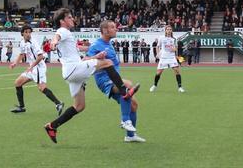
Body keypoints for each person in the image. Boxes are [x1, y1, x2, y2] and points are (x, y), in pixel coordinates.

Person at [44, 8, 140, 143]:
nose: (72, 19)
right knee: (107, 62)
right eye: (70, 17)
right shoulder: (62, 31)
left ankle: (52, 126)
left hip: (72, 73)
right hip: (74, 69)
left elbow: (79, 51)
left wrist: (96, 56)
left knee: (79, 106)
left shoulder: (68, 36)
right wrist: (53, 42)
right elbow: (56, 37)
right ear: (62, 21)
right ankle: (125, 92)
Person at [87, 20, 145, 142]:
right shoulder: (96, 45)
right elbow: (84, 60)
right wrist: (96, 57)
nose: (116, 29)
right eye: (112, 27)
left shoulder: (109, 44)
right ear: (104, 30)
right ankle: (125, 120)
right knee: (128, 85)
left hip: (115, 79)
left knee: (133, 105)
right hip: (104, 81)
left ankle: (130, 136)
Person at [9, 25, 64, 115]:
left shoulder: (33, 43)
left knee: (42, 88)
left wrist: (31, 66)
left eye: (29, 32)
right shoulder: (22, 42)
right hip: (32, 67)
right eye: (26, 32)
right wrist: (15, 63)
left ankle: (58, 103)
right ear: (22, 33)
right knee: (17, 83)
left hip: (38, 67)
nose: (28, 34)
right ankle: (22, 107)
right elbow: (22, 54)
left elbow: (41, 56)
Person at [149, 25, 185, 93]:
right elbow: (157, 46)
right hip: (163, 57)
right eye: (167, 29)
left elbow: (176, 48)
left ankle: (180, 87)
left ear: (171, 31)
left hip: (172, 57)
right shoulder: (161, 38)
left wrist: (174, 49)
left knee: (177, 71)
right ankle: (154, 85)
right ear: (165, 30)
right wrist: (157, 54)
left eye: (170, 29)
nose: (169, 30)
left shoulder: (174, 38)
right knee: (159, 73)